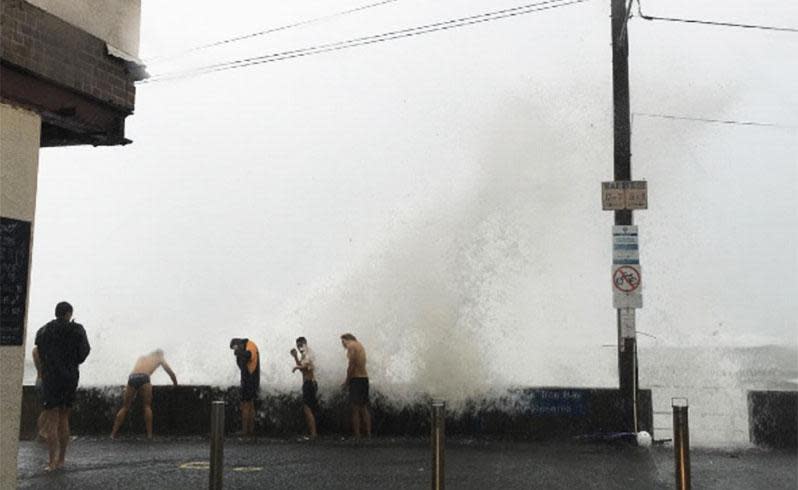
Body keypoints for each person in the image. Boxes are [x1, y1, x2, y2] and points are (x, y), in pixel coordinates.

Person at [34, 301, 90, 471]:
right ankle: (62, 459)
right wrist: (72, 360)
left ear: (56, 312)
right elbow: (84, 352)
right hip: (70, 378)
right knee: (64, 417)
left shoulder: (43, 330)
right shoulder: (77, 329)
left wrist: (44, 368)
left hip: (51, 378)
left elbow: (37, 351)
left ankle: (51, 462)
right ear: (68, 314)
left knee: (52, 419)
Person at [110, 349, 178, 439]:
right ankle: (149, 435)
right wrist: (175, 384)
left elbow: (136, 370)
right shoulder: (160, 358)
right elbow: (171, 373)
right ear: (160, 353)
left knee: (125, 407)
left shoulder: (142, 357)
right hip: (144, 377)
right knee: (146, 406)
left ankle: (113, 434)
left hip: (132, 377)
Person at [340, 333, 371, 438]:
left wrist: (347, 381)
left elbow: (351, 365)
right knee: (364, 407)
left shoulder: (351, 346)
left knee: (355, 408)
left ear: (346, 339)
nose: (343, 345)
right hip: (364, 378)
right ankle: (368, 433)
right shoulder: (360, 345)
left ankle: (357, 434)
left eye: (342, 342)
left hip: (356, 379)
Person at [230, 338, 260, 436]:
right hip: (250, 380)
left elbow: (249, 355)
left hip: (250, 380)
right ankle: (250, 430)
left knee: (246, 405)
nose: (235, 351)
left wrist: (239, 353)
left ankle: (245, 431)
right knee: (250, 404)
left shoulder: (250, 345)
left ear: (239, 344)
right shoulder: (244, 347)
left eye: (235, 348)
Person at [290, 337, 318, 439]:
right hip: (308, 383)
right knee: (308, 408)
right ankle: (312, 432)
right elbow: (302, 369)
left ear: (305, 343)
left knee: (307, 408)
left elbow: (306, 366)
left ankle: (313, 434)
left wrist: (296, 367)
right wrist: (295, 357)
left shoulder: (308, 352)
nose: (299, 347)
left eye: (301, 344)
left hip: (310, 383)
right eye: (297, 345)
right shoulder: (303, 354)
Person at [31, 346, 48, 442]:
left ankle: (42, 433)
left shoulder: (36, 350)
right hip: (46, 381)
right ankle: (42, 433)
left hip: (39, 380)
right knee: (48, 410)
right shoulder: (47, 350)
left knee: (45, 408)